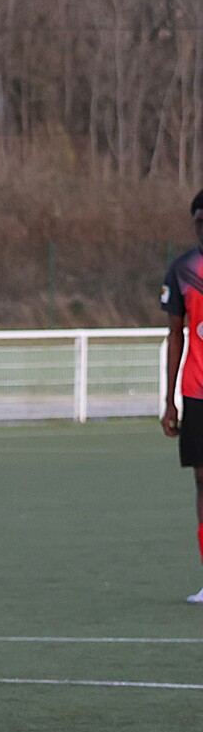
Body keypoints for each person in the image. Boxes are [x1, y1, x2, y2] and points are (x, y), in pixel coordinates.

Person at [159, 189, 203, 604]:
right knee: (202, 481)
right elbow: (175, 335)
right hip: (197, 393)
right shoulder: (183, 269)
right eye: (199, 222)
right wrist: (169, 399)